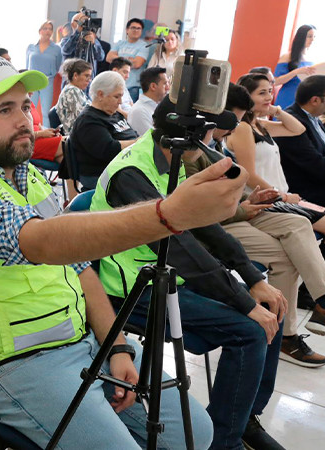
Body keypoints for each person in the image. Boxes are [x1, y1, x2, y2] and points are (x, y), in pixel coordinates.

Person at [0, 53, 260, 449]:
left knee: (194, 434)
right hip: (11, 366)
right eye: (4, 109)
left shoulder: (27, 178)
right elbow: (42, 242)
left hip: (83, 344)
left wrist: (115, 347)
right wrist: (168, 214)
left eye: (25, 106)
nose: (22, 119)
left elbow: (82, 270)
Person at [90, 96, 286, 449]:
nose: (213, 141)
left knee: (272, 306)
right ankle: (223, 442)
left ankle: (244, 421)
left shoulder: (170, 161)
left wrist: (253, 280)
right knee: (251, 330)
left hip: (169, 277)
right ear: (193, 136)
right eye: (211, 133)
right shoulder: (131, 174)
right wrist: (243, 302)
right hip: (131, 289)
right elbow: (183, 251)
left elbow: (206, 227)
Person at [186, 108, 325, 368]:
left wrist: (250, 200)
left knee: (298, 223)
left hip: (241, 209)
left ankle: (322, 300)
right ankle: (286, 335)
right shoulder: (191, 154)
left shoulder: (215, 144)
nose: (232, 129)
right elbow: (200, 212)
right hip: (220, 221)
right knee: (285, 256)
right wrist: (242, 208)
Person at [228, 75, 325, 238]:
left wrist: (275, 110)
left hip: (280, 197)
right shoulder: (243, 128)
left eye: (270, 92)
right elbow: (249, 175)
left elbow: (298, 129)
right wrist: (283, 197)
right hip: (267, 200)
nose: (269, 97)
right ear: (247, 97)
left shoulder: (260, 124)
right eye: (262, 93)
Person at [71, 70, 138, 189]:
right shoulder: (88, 120)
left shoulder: (114, 113)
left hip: (124, 167)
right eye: (116, 97)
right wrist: (138, 143)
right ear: (100, 94)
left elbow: (132, 134)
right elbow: (110, 149)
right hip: (102, 174)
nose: (120, 102)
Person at [275, 75, 325, 206]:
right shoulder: (292, 122)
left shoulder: (313, 118)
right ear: (315, 100)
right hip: (308, 190)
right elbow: (315, 165)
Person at [25, 20, 63, 121]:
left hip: (48, 81)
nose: (48, 31)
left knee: (46, 111)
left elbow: (58, 65)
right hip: (32, 80)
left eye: (50, 29)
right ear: (40, 31)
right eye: (45, 28)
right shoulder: (31, 47)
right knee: (29, 108)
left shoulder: (56, 48)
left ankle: (47, 132)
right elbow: (26, 65)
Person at [275, 25, 318, 110]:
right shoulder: (287, 57)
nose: (312, 39)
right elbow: (276, 81)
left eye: (314, 37)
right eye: (309, 36)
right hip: (288, 97)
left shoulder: (312, 59)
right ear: (301, 37)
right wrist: (296, 72)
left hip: (305, 100)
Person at [106, 18, 149, 101]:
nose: (136, 30)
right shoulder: (120, 43)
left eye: (138, 28)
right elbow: (108, 58)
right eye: (133, 28)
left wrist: (118, 58)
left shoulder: (144, 46)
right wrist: (128, 59)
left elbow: (137, 64)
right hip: (115, 84)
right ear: (127, 30)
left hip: (132, 87)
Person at [61, 12, 105, 77]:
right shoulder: (67, 39)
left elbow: (101, 57)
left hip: (88, 80)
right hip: (71, 79)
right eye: (80, 21)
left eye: (86, 22)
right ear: (73, 24)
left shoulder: (93, 40)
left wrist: (93, 44)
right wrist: (77, 32)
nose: (83, 24)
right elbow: (66, 50)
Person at [127, 67, 169, 136]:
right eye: (165, 84)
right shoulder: (139, 111)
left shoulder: (156, 105)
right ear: (153, 86)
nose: (168, 87)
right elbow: (154, 140)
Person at [54, 58, 91, 134]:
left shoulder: (73, 90)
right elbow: (85, 117)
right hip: (79, 136)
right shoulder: (72, 91)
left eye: (90, 77)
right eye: (86, 76)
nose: (89, 80)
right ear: (75, 75)